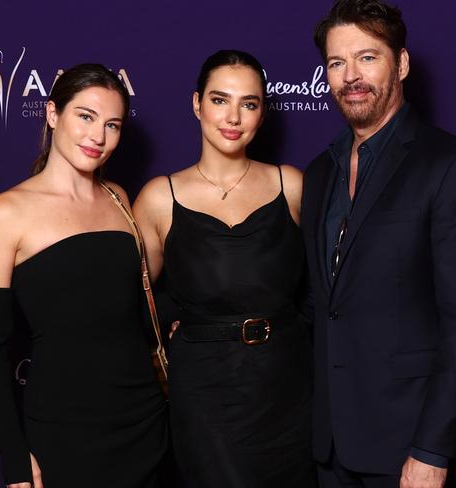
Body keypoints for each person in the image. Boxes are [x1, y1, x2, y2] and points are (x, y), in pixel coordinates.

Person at [301, 1, 456, 487]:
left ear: (401, 64)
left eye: (367, 58)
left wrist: (433, 449)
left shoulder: (450, 164)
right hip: (331, 446)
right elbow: (322, 301)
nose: (350, 76)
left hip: (408, 447)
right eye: (337, 63)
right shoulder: (321, 171)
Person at [133, 50, 316, 487]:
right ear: (197, 104)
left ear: (262, 112)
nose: (233, 116)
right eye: (220, 100)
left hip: (286, 386)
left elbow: (326, 286)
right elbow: (138, 301)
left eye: (249, 104)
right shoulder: (160, 197)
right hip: (204, 391)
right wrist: (175, 323)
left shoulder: (291, 184)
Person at [0, 64, 167, 488]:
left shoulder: (119, 198)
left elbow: (123, 309)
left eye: (112, 124)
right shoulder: (6, 214)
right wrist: (14, 454)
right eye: (85, 117)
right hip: (62, 432)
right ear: (52, 114)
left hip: (144, 423)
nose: (98, 137)